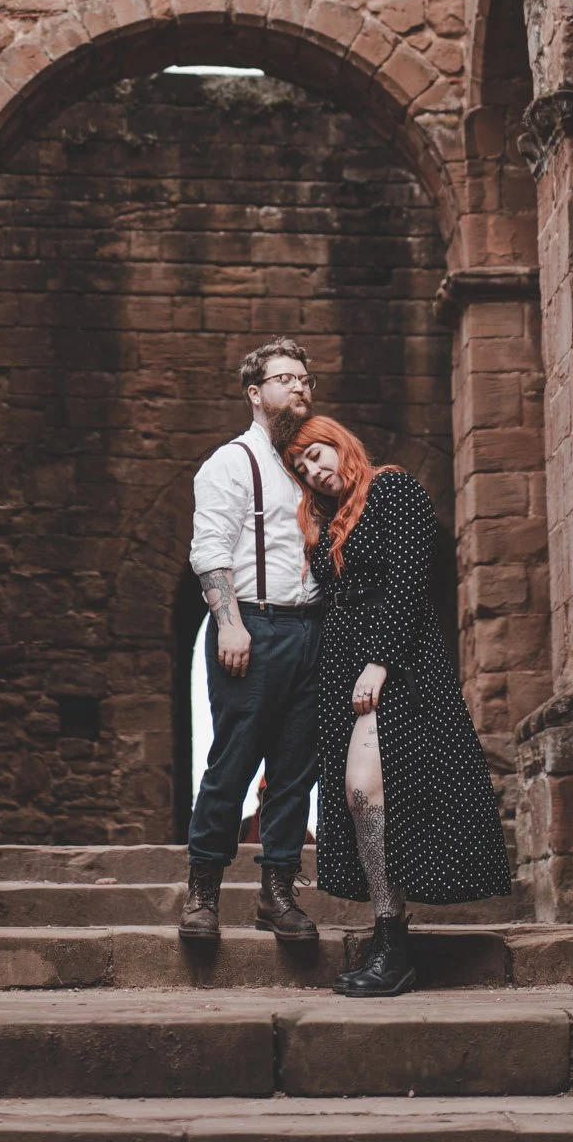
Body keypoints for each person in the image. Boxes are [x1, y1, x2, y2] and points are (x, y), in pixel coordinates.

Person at [286, 414, 512, 997]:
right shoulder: (322, 521)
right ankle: (390, 935)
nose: (314, 470)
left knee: (366, 789)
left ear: (341, 443)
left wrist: (380, 661)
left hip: (398, 662)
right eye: (302, 467)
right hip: (343, 670)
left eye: (317, 455)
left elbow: (410, 580)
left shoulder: (393, 489)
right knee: (360, 796)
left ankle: (394, 944)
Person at [180, 338, 325, 945]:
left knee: (295, 771)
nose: (298, 386)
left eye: (303, 378)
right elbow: (210, 550)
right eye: (285, 378)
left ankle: (277, 893)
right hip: (255, 625)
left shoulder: (312, 462)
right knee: (233, 761)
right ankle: (203, 894)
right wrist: (230, 622)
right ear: (255, 393)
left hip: (311, 628)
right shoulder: (230, 463)